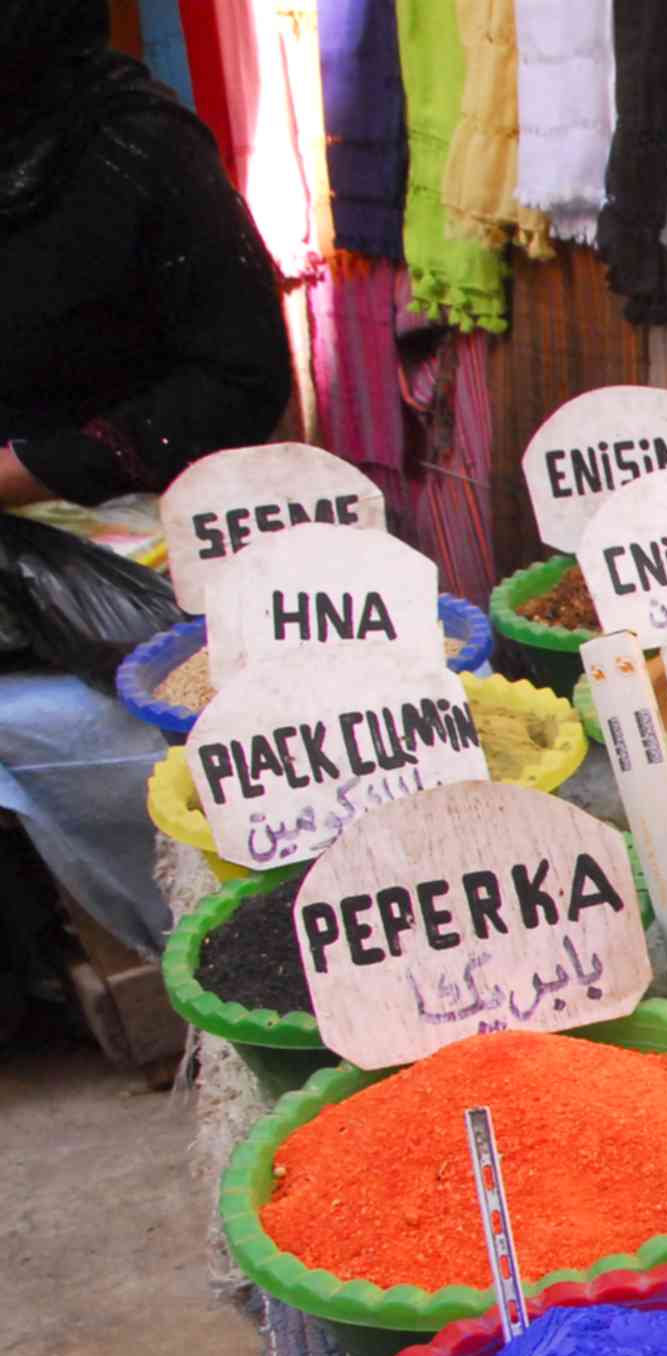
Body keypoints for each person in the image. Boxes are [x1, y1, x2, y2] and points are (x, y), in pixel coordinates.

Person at [0, 0, 293, 963]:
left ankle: (196, 952)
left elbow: (240, 379)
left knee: (120, 723)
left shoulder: (133, 149)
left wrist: (29, 468)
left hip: (123, 517)